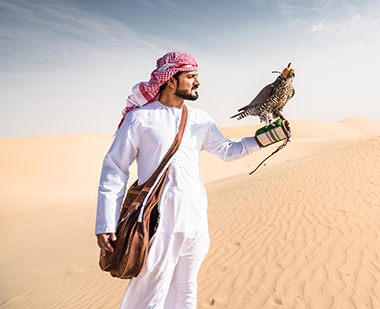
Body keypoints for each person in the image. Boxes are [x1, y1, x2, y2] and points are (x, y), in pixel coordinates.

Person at [95, 51, 261, 308]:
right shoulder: (140, 118)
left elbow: (227, 151)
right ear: (170, 80)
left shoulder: (199, 119)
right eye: (191, 76)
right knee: (148, 296)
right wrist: (106, 222)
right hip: (157, 224)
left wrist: (262, 140)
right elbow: (115, 169)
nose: (198, 82)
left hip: (195, 223)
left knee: (185, 294)